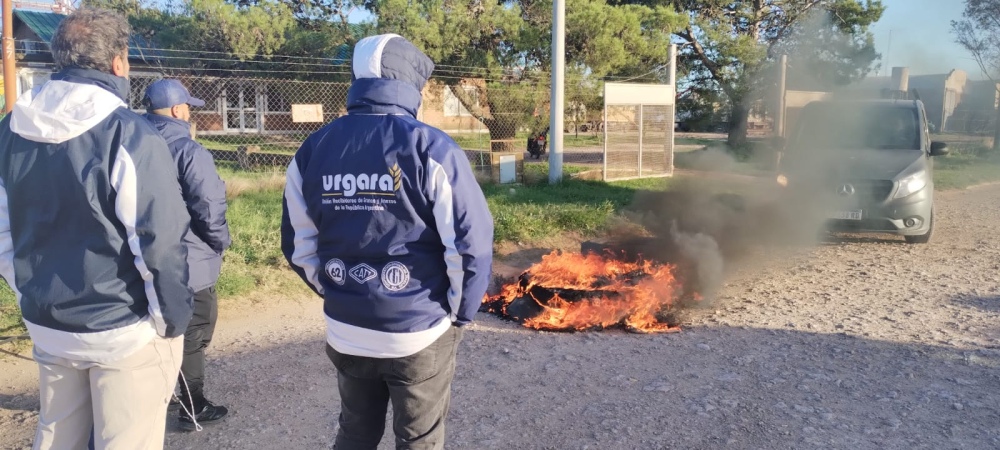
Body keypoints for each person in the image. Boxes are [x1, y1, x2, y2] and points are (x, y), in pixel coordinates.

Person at [281, 34, 494, 449]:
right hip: (416, 330)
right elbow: (470, 246)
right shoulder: (432, 148)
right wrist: (458, 315)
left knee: (355, 431)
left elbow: (299, 245)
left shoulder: (313, 149)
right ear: (412, 85)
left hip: (346, 329)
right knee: (418, 438)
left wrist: (340, 291)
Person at [0, 8, 193, 450]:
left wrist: (29, 290)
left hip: (48, 320)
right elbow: (158, 242)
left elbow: (3, 233)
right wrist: (171, 321)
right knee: (127, 439)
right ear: (119, 63)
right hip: (122, 327)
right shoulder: (129, 134)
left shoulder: (10, 131)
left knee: (56, 435)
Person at [143, 79, 232, 430]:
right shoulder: (187, 150)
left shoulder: (132, 143)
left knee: (155, 328)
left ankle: (159, 395)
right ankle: (192, 405)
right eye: (189, 107)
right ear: (180, 110)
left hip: (142, 255)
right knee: (195, 329)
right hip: (189, 258)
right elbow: (208, 204)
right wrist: (219, 240)